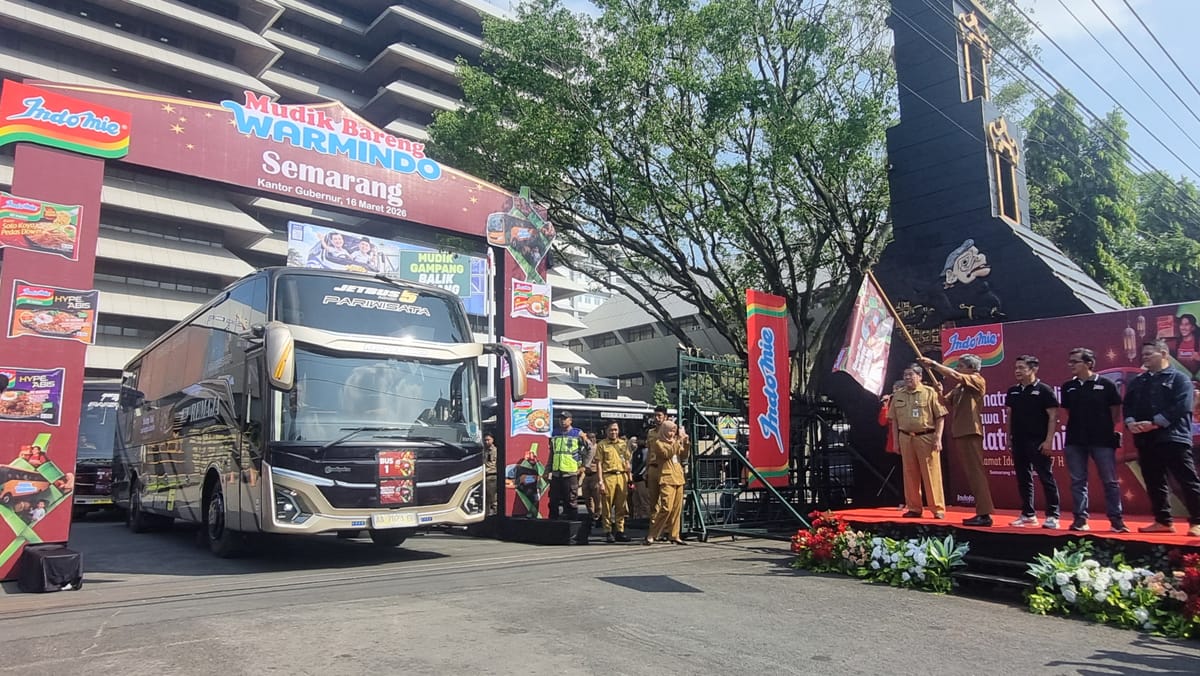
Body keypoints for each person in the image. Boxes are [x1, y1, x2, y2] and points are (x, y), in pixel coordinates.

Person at [1123, 339, 1200, 536]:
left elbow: (1182, 406)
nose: (1145, 357)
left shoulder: (1180, 379)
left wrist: (1156, 422)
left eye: (1149, 353)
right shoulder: (1139, 381)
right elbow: (1129, 405)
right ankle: (1163, 520)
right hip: (1146, 440)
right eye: (1144, 354)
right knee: (1154, 481)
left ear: (1164, 354)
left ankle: (1197, 521)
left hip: (1173, 438)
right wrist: (1131, 421)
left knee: (1187, 481)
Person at [920, 354, 995, 527]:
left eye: (961, 366)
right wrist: (939, 391)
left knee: (976, 473)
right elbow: (945, 402)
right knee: (971, 473)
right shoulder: (960, 388)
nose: (958, 368)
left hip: (971, 431)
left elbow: (955, 375)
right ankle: (981, 512)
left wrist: (934, 364)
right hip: (960, 431)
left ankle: (985, 514)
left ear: (971, 368)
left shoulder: (977, 380)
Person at [1060, 348, 1127, 533]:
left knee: (1110, 481)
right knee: (1077, 481)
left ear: (1089, 363)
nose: (1071, 365)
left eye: (1075, 361)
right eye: (1070, 361)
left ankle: (1116, 520)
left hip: (1102, 440)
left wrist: (1104, 428)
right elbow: (1067, 412)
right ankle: (1080, 519)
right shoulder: (1068, 387)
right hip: (1075, 440)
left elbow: (1115, 412)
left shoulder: (1106, 384)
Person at [1005, 355, 1062, 529]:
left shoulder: (1044, 390)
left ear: (1033, 369)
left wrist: (1048, 441)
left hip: (1038, 441)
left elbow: (1053, 417)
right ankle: (1028, 514)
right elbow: (1009, 415)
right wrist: (1008, 438)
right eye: (1016, 368)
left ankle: (1053, 515)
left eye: (1021, 368)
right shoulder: (1013, 391)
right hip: (1019, 441)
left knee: (1046, 477)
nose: (1017, 371)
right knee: (1023, 479)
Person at [888, 364, 947, 519]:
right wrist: (896, 442)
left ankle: (937, 508)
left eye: (911, 374)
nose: (907, 378)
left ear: (920, 376)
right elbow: (893, 421)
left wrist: (938, 438)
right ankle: (914, 507)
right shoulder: (898, 395)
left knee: (931, 473)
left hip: (926, 436)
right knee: (909, 473)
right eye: (905, 375)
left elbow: (940, 417)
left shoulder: (929, 393)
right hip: (906, 437)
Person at [644, 420, 689, 545]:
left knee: (676, 509)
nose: (672, 433)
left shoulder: (675, 441)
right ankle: (653, 533)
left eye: (674, 431)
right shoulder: (658, 443)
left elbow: (684, 455)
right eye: (670, 430)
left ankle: (674, 535)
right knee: (666, 507)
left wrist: (685, 442)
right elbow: (667, 454)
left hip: (678, 477)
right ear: (664, 430)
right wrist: (678, 441)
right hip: (666, 477)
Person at [544, 411, 593, 521]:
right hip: (556, 474)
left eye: (565, 419)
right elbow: (552, 454)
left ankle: (572, 528)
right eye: (561, 419)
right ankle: (553, 525)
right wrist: (547, 470)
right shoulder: (555, 433)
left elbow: (591, 449)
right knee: (553, 501)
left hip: (570, 474)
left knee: (570, 502)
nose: (562, 421)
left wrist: (584, 466)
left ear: (570, 420)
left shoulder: (577, 433)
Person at [596, 422, 631, 542]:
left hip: (621, 476)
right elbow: (599, 464)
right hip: (608, 476)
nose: (614, 432)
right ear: (606, 431)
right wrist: (600, 481)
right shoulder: (602, 445)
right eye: (611, 430)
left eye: (616, 430)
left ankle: (620, 531)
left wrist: (630, 478)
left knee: (621, 505)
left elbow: (627, 462)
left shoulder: (623, 444)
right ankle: (608, 531)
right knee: (606, 505)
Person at [877, 381, 906, 511]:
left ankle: (915, 501)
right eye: (894, 389)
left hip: (908, 439)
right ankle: (902, 500)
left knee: (911, 473)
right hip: (894, 443)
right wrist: (885, 405)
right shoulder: (890, 403)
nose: (895, 391)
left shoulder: (907, 402)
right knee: (899, 473)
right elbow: (883, 421)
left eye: (898, 388)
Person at [483, 433, 499, 516]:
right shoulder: (484, 450)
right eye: (485, 440)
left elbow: (494, 464)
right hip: (484, 475)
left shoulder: (495, 451)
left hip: (492, 475)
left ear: (492, 440)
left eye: (488, 440)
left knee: (492, 497)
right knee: (486, 498)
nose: (486, 442)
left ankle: (496, 513)